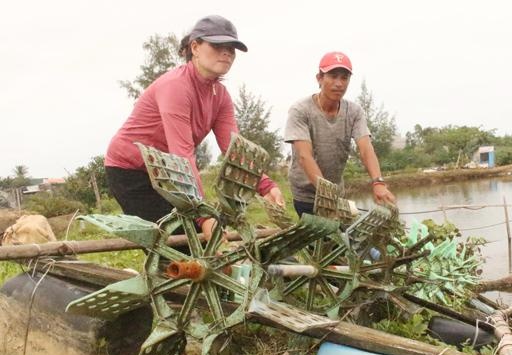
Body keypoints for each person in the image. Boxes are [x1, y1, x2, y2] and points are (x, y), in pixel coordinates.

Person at [105, 15, 284, 238]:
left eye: (231, 48)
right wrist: (203, 216)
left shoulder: (220, 96)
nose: (227, 53)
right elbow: (182, 156)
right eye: (218, 45)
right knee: (175, 240)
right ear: (195, 47)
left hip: (165, 171)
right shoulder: (176, 87)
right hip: (131, 170)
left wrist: (266, 186)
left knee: (195, 238)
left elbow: (235, 151)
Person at [284, 51, 395, 217]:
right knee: (325, 240)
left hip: (337, 194)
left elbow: (365, 148)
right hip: (306, 195)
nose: (339, 83)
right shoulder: (301, 110)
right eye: (333, 76)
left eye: (344, 78)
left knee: (347, 239)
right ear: (319, 78)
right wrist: (327, 196)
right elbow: (304, 157)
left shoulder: (354, 112)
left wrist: (378, 182)